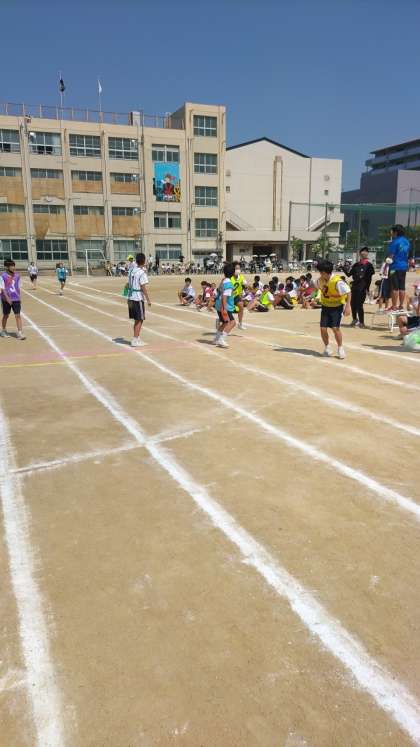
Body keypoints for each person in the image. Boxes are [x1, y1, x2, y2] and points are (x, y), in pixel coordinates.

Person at [317, 259, 351, 359]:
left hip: (336, 307)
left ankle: (340, 348)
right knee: (323, 328)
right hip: (325, 306)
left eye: (320, 272)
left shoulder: (337, 281)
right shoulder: (320, 280)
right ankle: (327, 347)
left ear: (324, 272)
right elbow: (314, 285)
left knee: (335, 328)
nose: (320, 274)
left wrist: (348, 306)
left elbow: (348, 292)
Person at [126, 252, 151, 347]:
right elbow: (143, 287)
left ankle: (137, 338)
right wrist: (148, 299)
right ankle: (135, 340)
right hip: (137, 298)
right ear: (144, 261)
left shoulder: (131, 270)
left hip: (130, 297)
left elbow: (128, 284)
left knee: (136, 320)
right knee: (140, 319)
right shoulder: (141, 273)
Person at [345, 247, 375, 328]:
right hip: (354, 286)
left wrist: (367, 288)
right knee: (353, 303)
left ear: (367, 254)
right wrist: (343, 268)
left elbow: (369, 278)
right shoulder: (356, 265)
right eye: (362, 252)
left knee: (359, 304)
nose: (363, 253)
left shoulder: (369, 265)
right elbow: (349, 274)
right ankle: (354, 319)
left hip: (362, 287)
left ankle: (362, 322)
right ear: (360, 254)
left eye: (365, 252)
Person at [1, 260, 26, 340]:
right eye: (11, 266)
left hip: (16, 299)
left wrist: (19, 297)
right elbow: (2, 288)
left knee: (17, 315)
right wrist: (7, 298)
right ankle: (3, 330)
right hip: (6, 299)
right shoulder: (3, 276)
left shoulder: (17, 276)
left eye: (14, 265)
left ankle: (20, 332)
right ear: (7, 267)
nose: (13, 267)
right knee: (6, 315)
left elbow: (18, 287)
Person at [387, 224, 410, 311]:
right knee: (402, 287)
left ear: (396, 232)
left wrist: (387, 261)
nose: (391, 232)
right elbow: (407, 253)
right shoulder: (407, 241)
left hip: (394, 267)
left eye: (392, 231)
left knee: (395, 287)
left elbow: (391, 255)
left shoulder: (395, 242)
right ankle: (401, 305)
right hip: (403, 267)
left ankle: (394, 306)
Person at [214, 263, 236, 348]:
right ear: (233, 273)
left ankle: (216, 339)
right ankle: (221, 339)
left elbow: (219, 291)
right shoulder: (229, 284)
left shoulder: (223, 281)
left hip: (218, 304)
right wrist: (224, 308)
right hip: (225, 306)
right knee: (232, 323)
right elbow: (225, 296)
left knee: (224, 322)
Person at [231, 262, 248, 330]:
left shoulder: (241, 277)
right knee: (227, 312)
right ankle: (220, 321)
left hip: (236, 296)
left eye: (239, 268)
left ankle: (240, 324)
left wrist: (246, 285)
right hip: (229, 297)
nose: (238, 270)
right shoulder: (229, 277)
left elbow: (245, 285)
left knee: (241, 306)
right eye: (236, 268)